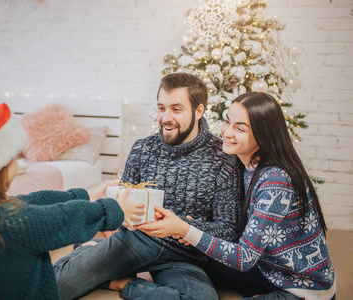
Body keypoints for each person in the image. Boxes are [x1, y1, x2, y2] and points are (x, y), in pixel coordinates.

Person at [54, 72, 243, 300]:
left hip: (184, 256)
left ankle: (122, 283)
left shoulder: (224, 159)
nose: (165, 117)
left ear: (199, 111)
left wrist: (183, 227)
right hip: (136, 241)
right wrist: (119, 215)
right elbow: (122, 208)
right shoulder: (143, 148)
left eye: (176, 109)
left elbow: (229, 231)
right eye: (161, 108)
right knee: (56, 286)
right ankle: (89, 251)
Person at [0, 103, 145, 300]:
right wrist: (115, 209)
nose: (19, 163)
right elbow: (66, 219)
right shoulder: (13, 223)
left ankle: (86, 249)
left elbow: (31, 200)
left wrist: (84, 196)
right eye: (14, 158)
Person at [142, 92, 336, 300]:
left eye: (240, 128)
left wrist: (186, 229)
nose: (227, 132)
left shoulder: (277, 181)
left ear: (263, 135)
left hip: (302, 289)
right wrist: (191, 230)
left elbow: (244, 258)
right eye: (227, 121)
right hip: (266, 270)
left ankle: (128, 285)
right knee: (195, 258)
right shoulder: (247, 164)